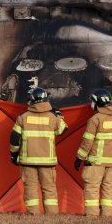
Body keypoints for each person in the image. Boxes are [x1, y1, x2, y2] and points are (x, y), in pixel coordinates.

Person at [10, 87, 67, 215]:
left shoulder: (23, 117)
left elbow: (14, 138)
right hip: (47, 162)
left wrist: (13, 155)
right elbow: (62, 130)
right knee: (49, 189)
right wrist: (58, 115)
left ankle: (33, 214)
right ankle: (52, 215)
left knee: (30, 188)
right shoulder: (52, 117)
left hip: (27, 161)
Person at [76, 89, 112, 217]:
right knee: (108, 189)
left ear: (98, 103)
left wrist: (80, 157)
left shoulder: (95, 119)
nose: (91, 104)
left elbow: (87, 141)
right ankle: (107, 215)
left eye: (93, 101)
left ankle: (92, 216)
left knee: (92, 188)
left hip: (96, 161)